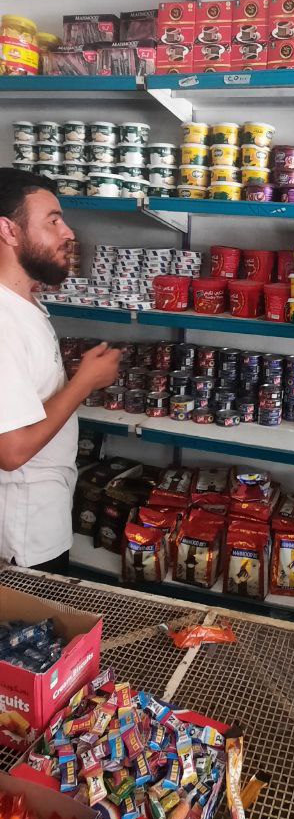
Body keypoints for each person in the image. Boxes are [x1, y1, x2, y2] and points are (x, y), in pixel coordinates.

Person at [0, 169, 122, 573]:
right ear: (8, 230)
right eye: (53, 221)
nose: (68, 233)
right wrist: (84, 382)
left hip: (41, 515)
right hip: (22, 538)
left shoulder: (23, 305)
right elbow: (11, 451)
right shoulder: (3, 320)